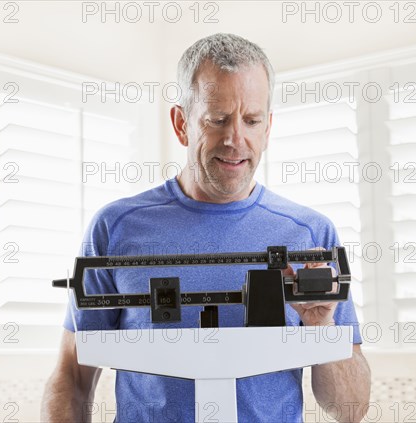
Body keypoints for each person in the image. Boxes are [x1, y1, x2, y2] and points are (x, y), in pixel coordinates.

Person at [41, 33, 371, 423]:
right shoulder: (114, 228)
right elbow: (72, 375)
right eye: (217, 120)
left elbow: (349, 410)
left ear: (268, 128)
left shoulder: (311, 236)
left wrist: (322, 329)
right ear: (182, 124)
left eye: (252, 120)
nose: (235, 140)